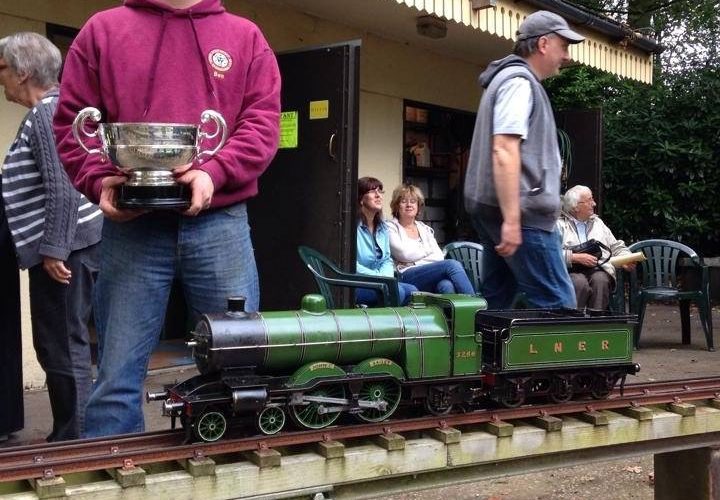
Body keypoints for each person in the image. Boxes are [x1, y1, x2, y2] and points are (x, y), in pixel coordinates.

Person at [52, 0, 281, 437]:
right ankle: (114, 477)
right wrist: (99, 180)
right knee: (116, 378)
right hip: (131, 225)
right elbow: (72, 123)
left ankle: (235, 473)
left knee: (238, 369)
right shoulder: (103, 31)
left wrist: (214, 172)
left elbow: (262, 123)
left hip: (220, 220)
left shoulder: (245, 37)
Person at [0, 32, 103, 441]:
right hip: (72, 244)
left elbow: (63, 186)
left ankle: (72, 439)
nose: (0, 77)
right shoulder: (59, 110)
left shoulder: (46, 114)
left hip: (65, 249)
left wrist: (53, 250)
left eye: (2, 68)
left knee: (61, 345)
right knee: (63, 342)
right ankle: (72, 433)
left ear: (23, 72)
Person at [464, 10, 583, 310]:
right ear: (543, 44)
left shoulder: (506, 81)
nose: (566, 56)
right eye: (564, 46)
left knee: (497, 305)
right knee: (558, 303)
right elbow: (504, 148)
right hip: (524, 216)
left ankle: (486, 359)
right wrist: (513, 219)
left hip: (500, 213)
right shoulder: (519, 82)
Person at [386, 184, 474, 295]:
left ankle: (452, 312)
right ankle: (477, 308)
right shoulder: (390, 227)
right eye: (404, 201)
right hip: (405, 276)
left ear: (418, 206)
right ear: (397, 206)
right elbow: (404, 254)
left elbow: (438, 256)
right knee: (452, 265)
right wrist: (427, 250)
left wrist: (413, 262)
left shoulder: (424, 228)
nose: (409, 205)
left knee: (446, 285)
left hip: (429, 274)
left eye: (413, 201)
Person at [558, 185, 635, 310]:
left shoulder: (598, 223)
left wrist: (625, 257)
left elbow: (616, 246)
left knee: (601, 280)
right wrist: (574, 257)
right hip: (569, 271)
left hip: (597, 268)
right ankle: (572, 324)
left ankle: (596, 324)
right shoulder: (559, 225)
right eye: (589, 201)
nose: (594, 204)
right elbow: (548, 255)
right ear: (575, 206)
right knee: (579, 283)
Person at [356, 177, 418, 306]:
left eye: (380, 191)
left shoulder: (382, 227)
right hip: (358, 283)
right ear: (361, 199)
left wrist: (385, 278)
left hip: (380, 282)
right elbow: (352, 264)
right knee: (397, 291)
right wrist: (377, 277)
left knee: (413, 291)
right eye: (373, 191)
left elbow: (387, 259)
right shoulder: (354, 227)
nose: (378, 196)